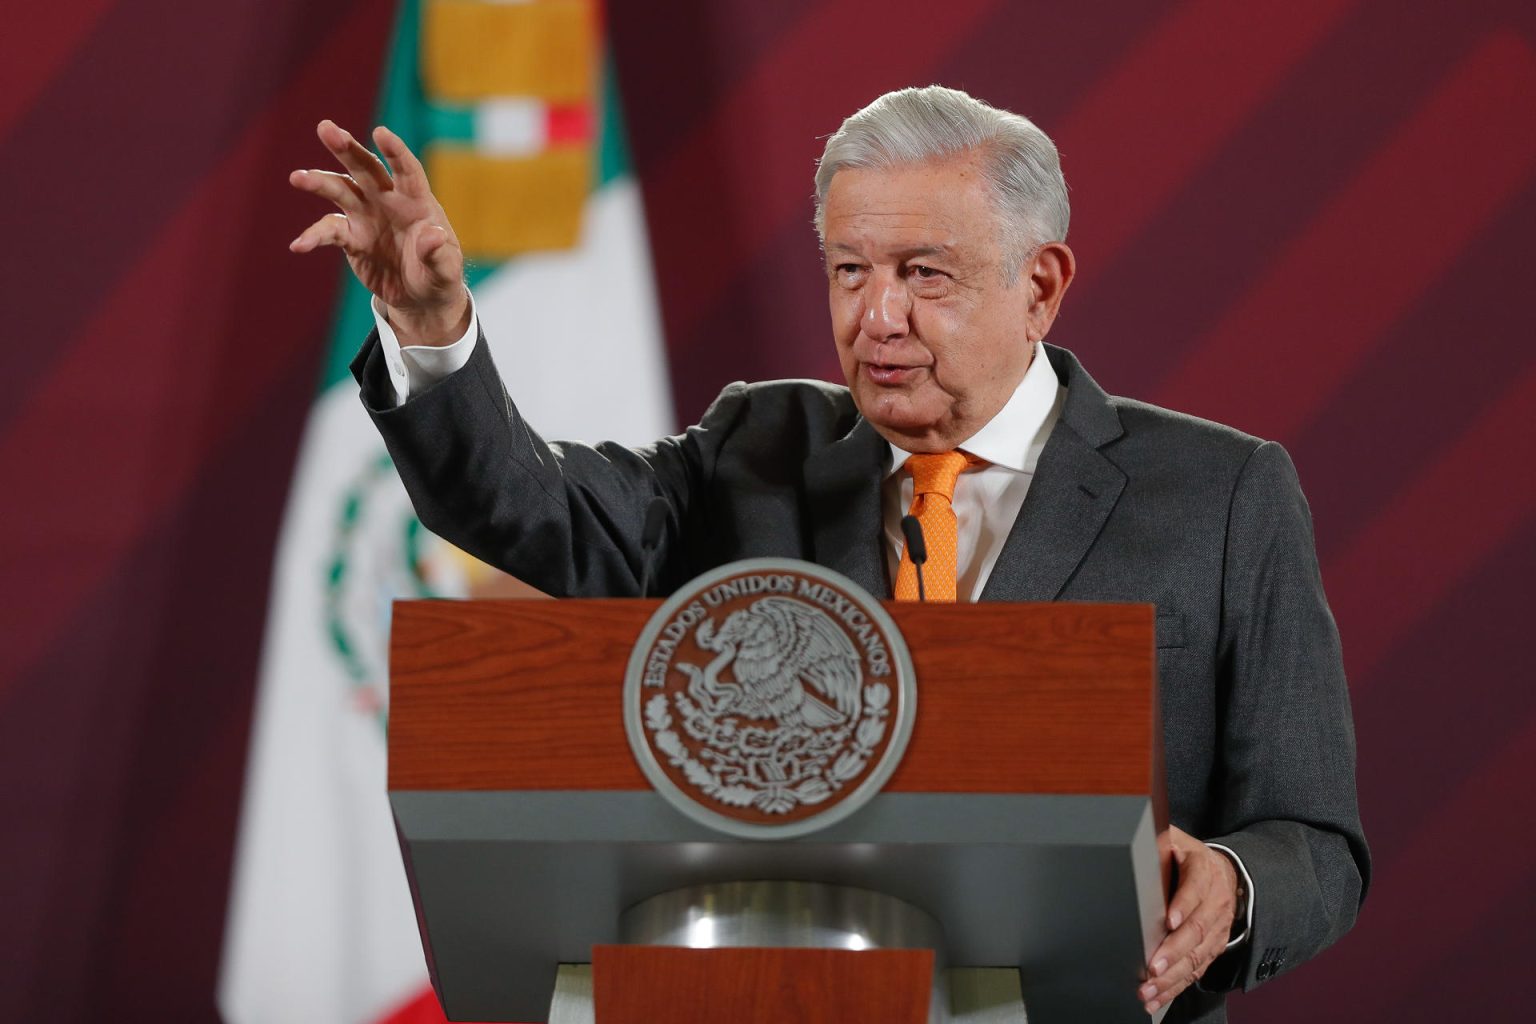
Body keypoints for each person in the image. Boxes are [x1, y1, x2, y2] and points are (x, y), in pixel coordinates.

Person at [290, 85, 1367, 1022]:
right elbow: (526, 507)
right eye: (849, 269)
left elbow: (1316, 842)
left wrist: (1232, 879)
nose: (877, 316)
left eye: (924, 274)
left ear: (1039, 285)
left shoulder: (1223, 495)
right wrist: (431, 332)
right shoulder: (756, 450)